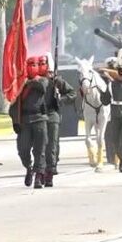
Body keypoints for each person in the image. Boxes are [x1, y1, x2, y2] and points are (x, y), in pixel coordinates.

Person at [9, 57, 49, 189]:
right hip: (25, 121)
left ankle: (38, 176)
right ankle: (29, 168)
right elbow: (13, 107)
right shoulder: (20, 85)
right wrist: (15, 121)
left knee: (40, 150)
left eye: (34, 65)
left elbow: (42, 87)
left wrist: (28, 82)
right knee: (22, 149)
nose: (32, 67)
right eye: (29, 65)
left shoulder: (43, 79)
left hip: (39, 119)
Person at [39, 53, 74, 187]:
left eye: (50, 71)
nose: (48, 74)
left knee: (52, 145)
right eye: (46, 71)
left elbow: (72, 93)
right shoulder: (36, 81)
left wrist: (60, 99)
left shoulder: (57, 82)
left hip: (53, 115)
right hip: (39, 116)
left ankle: (50, 172)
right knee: (39, 146)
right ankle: (40, 171)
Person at [101, 52, 122, 173]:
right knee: (115, 139)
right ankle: (120, 157)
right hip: (115, 114)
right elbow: (105, 101)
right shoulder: (111, 85)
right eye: (120, 69)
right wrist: (103, 90)